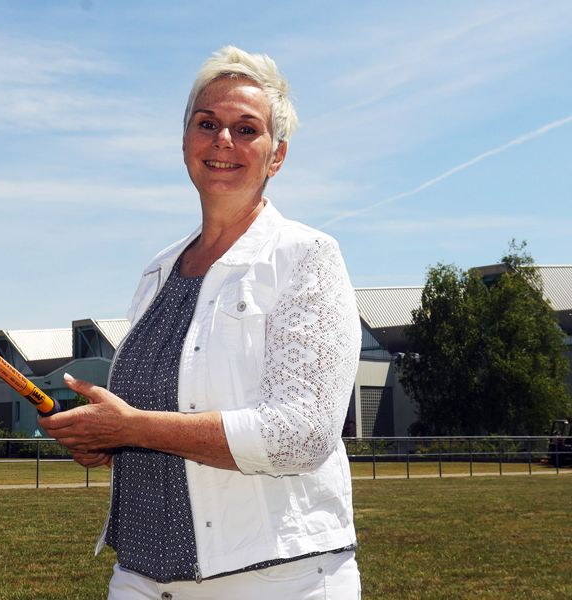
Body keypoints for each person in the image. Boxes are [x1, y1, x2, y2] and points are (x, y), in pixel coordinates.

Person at [39, 45, 362, 599]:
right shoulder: (158, 272)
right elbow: (155, 413)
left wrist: (133, 428)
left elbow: (302, 435)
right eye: (207, 123)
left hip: (275, 581)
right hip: (141, 578)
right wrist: (103, 439)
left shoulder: (306, 256)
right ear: (185, 141)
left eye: (246, 129)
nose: (223, 142)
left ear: (277, 156)